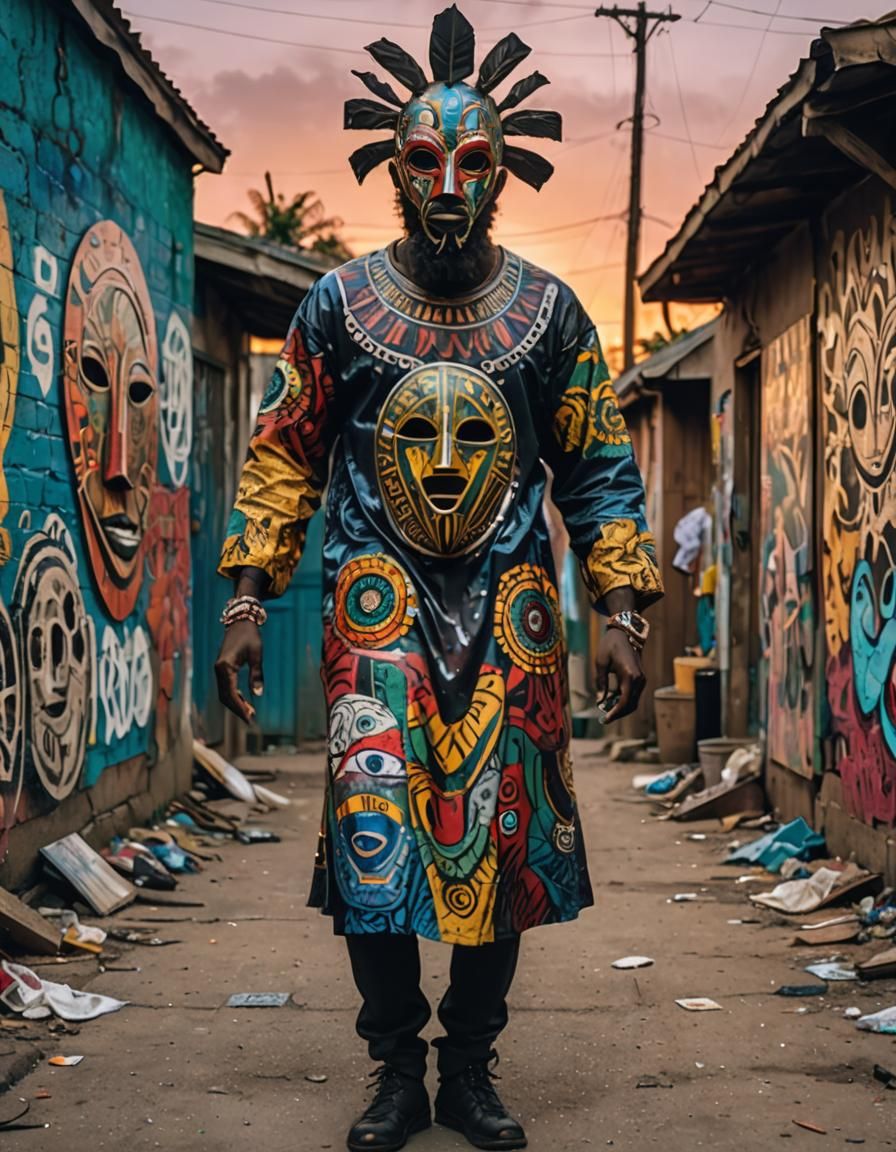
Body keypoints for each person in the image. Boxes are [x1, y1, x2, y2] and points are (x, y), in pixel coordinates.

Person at [215, 8, 663, 1150]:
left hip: (511, 606)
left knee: (499, 841)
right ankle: (392, 1069)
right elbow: (280, 457)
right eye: (427, 160)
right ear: (395, 169)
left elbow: (598, 468)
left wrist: (615, 606)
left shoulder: (552, 315)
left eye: (475, 160)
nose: (451, 183)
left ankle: (467, 1065)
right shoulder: (337, 308)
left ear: (505, 169)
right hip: (376, 603)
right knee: (375, 833)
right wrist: (247, 597)